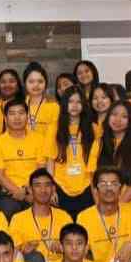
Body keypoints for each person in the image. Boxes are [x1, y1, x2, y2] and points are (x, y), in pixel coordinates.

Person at [8, 169, 72, 262]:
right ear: (30, 190)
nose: (43, 190)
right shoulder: (18, 219)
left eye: (47, 185)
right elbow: (14, 250)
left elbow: (75, 246)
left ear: (53, 189)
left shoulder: (64, 217)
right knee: (34, 259)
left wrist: (63, 247)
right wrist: (24, 248)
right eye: (38, 185)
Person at [0, 98, 47, 219]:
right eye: (12, 113)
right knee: (8, 209)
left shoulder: (39, 139)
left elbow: (41, 169)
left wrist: (29, 190)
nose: (17, 118)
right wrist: (17, 191)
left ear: (27, 116)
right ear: (5, 118)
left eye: (21, 113)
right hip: (9, 192)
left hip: (34, 189)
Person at [89, 101, 131, 215]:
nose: (118, 120)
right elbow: (93, 177)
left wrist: (115, 205)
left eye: (124, 116)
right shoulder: (99, 143)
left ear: (130, 120)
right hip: (102, 205)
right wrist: (100, 204)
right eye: (114, 114)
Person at [46, 86, 95, 219]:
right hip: (61, 186)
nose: (74, 105)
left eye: (78, 102)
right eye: (70, 101)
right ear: (64, 104)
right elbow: (50, 161)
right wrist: (51, 188)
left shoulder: (92, 128)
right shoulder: (54, 128)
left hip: (86, 185)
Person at [23, 63, 60, 139]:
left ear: (45, 83)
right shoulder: (19, 106)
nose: (36, 85)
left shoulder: (54, 107)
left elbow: (53, 137)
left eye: (40, 81)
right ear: (25, 83)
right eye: (31, 81)